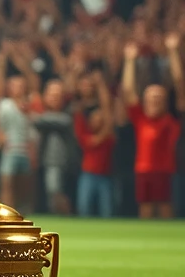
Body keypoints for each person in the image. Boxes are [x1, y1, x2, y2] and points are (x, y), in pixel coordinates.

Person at [121, 40, 183, 221]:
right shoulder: (140, 118)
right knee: (145, 210)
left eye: (158, 97)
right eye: (150, 97)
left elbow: (179, 84)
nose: (154, 101)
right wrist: (129, 61)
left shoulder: (171, 120)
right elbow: (128, 90)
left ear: (164, 101)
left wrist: (172, 52)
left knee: (165, 210)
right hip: (143, 170)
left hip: (165, 170)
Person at [73, 70, 116, 218]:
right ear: (90, 122)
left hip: (105, 175)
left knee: (107, 212)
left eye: (100, 118)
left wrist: (101, 87)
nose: (98, 119)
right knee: (84, 209)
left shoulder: (109, 136)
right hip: (89, 174)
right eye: (95, 118)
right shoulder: (86, 134)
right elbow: (95, 140)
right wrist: (108, 123)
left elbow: (108, 112)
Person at [0, 67, 36, 212]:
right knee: (7, 183)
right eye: (15, 85)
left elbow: (32, 129)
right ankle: (8, 212)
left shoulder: (30, 103)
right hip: (10, 148)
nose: (18, 88)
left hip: (24, 149)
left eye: (21, 85)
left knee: (25, 186)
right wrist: (0, 137)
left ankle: (24, 211)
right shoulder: (4, 105)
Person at [32, 75, 75, 216]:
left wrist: (33, 116)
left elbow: (59, 121)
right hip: (42, 160)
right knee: (50, 192)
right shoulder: (44, 113)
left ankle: (63, 218)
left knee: (54, 191)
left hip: (59, 161)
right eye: (51, 95)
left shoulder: (69, 112)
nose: (54, 98)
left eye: (57, 95)